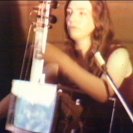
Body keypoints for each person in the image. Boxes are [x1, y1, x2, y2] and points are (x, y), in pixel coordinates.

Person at [0, 0, 133, 133]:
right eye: (69, 13)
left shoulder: (118, 54)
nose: (72, 19)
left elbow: (103, 93)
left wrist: (61, 60)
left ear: (98, 18)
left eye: (82, 13)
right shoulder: (63, 60)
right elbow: (29, 92)